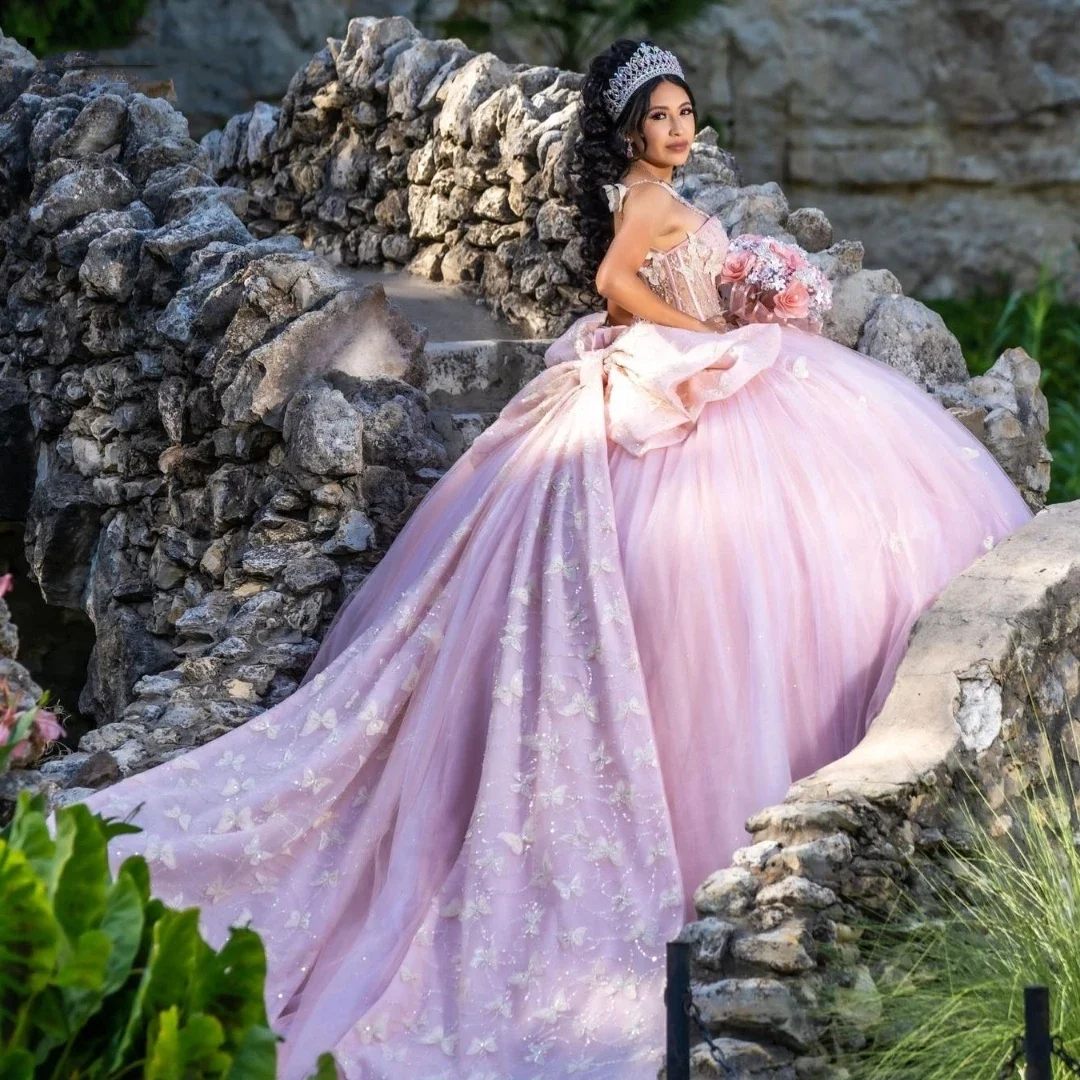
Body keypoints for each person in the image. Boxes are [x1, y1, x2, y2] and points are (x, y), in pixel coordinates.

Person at [78, 38, 1034, 1080]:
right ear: (629, 131)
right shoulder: (639, 199)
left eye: (685, 113)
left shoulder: (659, 189)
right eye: (661, 117)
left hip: (687, 361)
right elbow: (617, 282)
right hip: (662, 373)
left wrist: (748, 301)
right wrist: (700, 328)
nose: (678, 130)